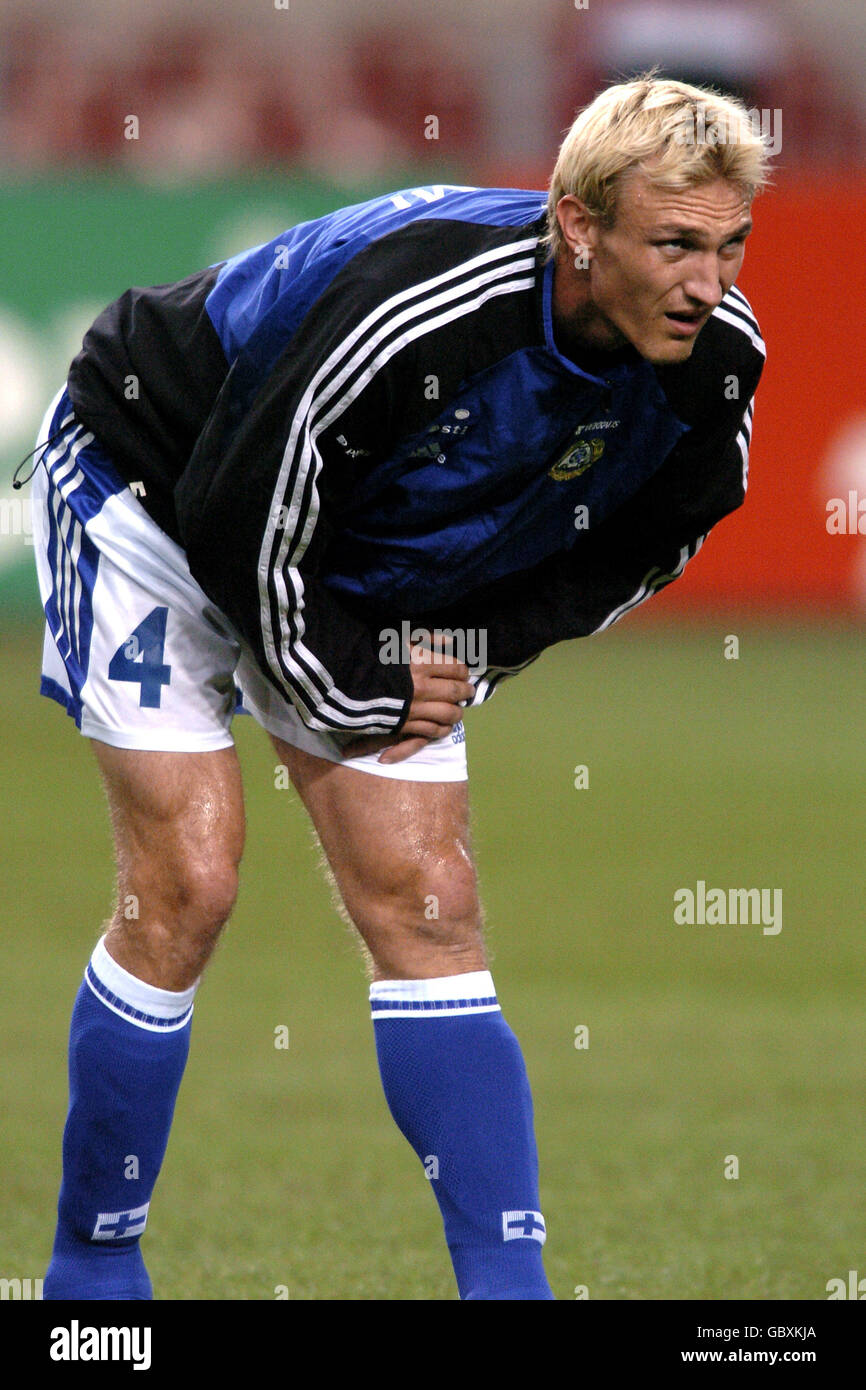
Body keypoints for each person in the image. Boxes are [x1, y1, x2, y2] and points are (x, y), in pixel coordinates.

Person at [30, 74, 768, 1301]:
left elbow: (632, 547)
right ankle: (89, 1278)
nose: (708, 283)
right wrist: (359, 679)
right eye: (674, 245)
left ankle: (508, 1296)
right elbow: (234, 512)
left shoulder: (710, 367)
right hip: (155, 492)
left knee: (429, 903)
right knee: (188, 881)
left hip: (357, 551)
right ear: (577, 226)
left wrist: (464, 650)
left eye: (730, 244)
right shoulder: (424, 307)